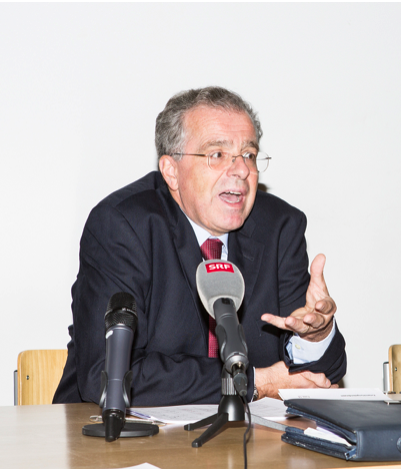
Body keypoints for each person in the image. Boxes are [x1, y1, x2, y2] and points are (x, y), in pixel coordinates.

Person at [53, 86, 346, 406]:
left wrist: (314, 337)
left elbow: (318, 379)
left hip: (245, 436)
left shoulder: (278, 228)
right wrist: (253, 383)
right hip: (112, 432)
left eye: (249, 154)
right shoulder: (123, 226)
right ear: (171, 171)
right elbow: (108, 373)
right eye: (217, 154)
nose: (242, 170)